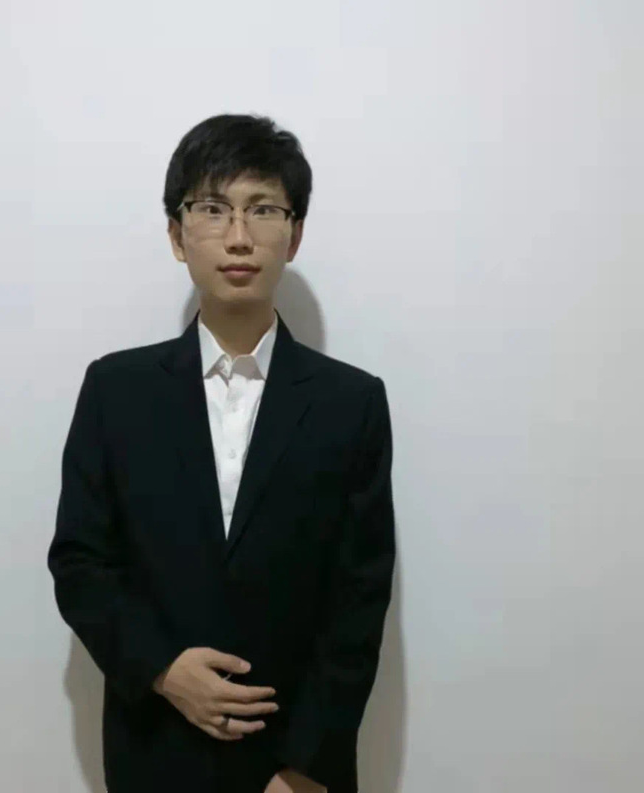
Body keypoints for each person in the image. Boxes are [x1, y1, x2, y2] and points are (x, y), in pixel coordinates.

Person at [47, 113, 396, 793]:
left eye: (263, 209)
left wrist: (305, 767)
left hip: (293, 767)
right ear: (177, 235)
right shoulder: (116, 389)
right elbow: (81, 561)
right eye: (212, 209)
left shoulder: (350, 402)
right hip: (155, 751)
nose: (239, 236)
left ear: (294, 234)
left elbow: (358, 597)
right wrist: (162, 668)